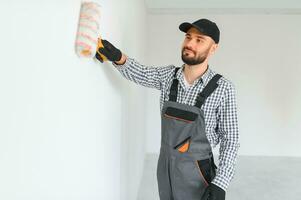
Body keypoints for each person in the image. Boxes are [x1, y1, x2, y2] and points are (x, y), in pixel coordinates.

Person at [95, 18, 240, 200]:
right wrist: (117, 57)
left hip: (198, 174)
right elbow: (141, 73)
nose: (190, 44)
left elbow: (231, 140)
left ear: (213, 49)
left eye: (199, 40)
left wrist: (221, 183)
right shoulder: (168, 76)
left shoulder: (223, 88)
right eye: (188, 37)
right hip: (165, 168)